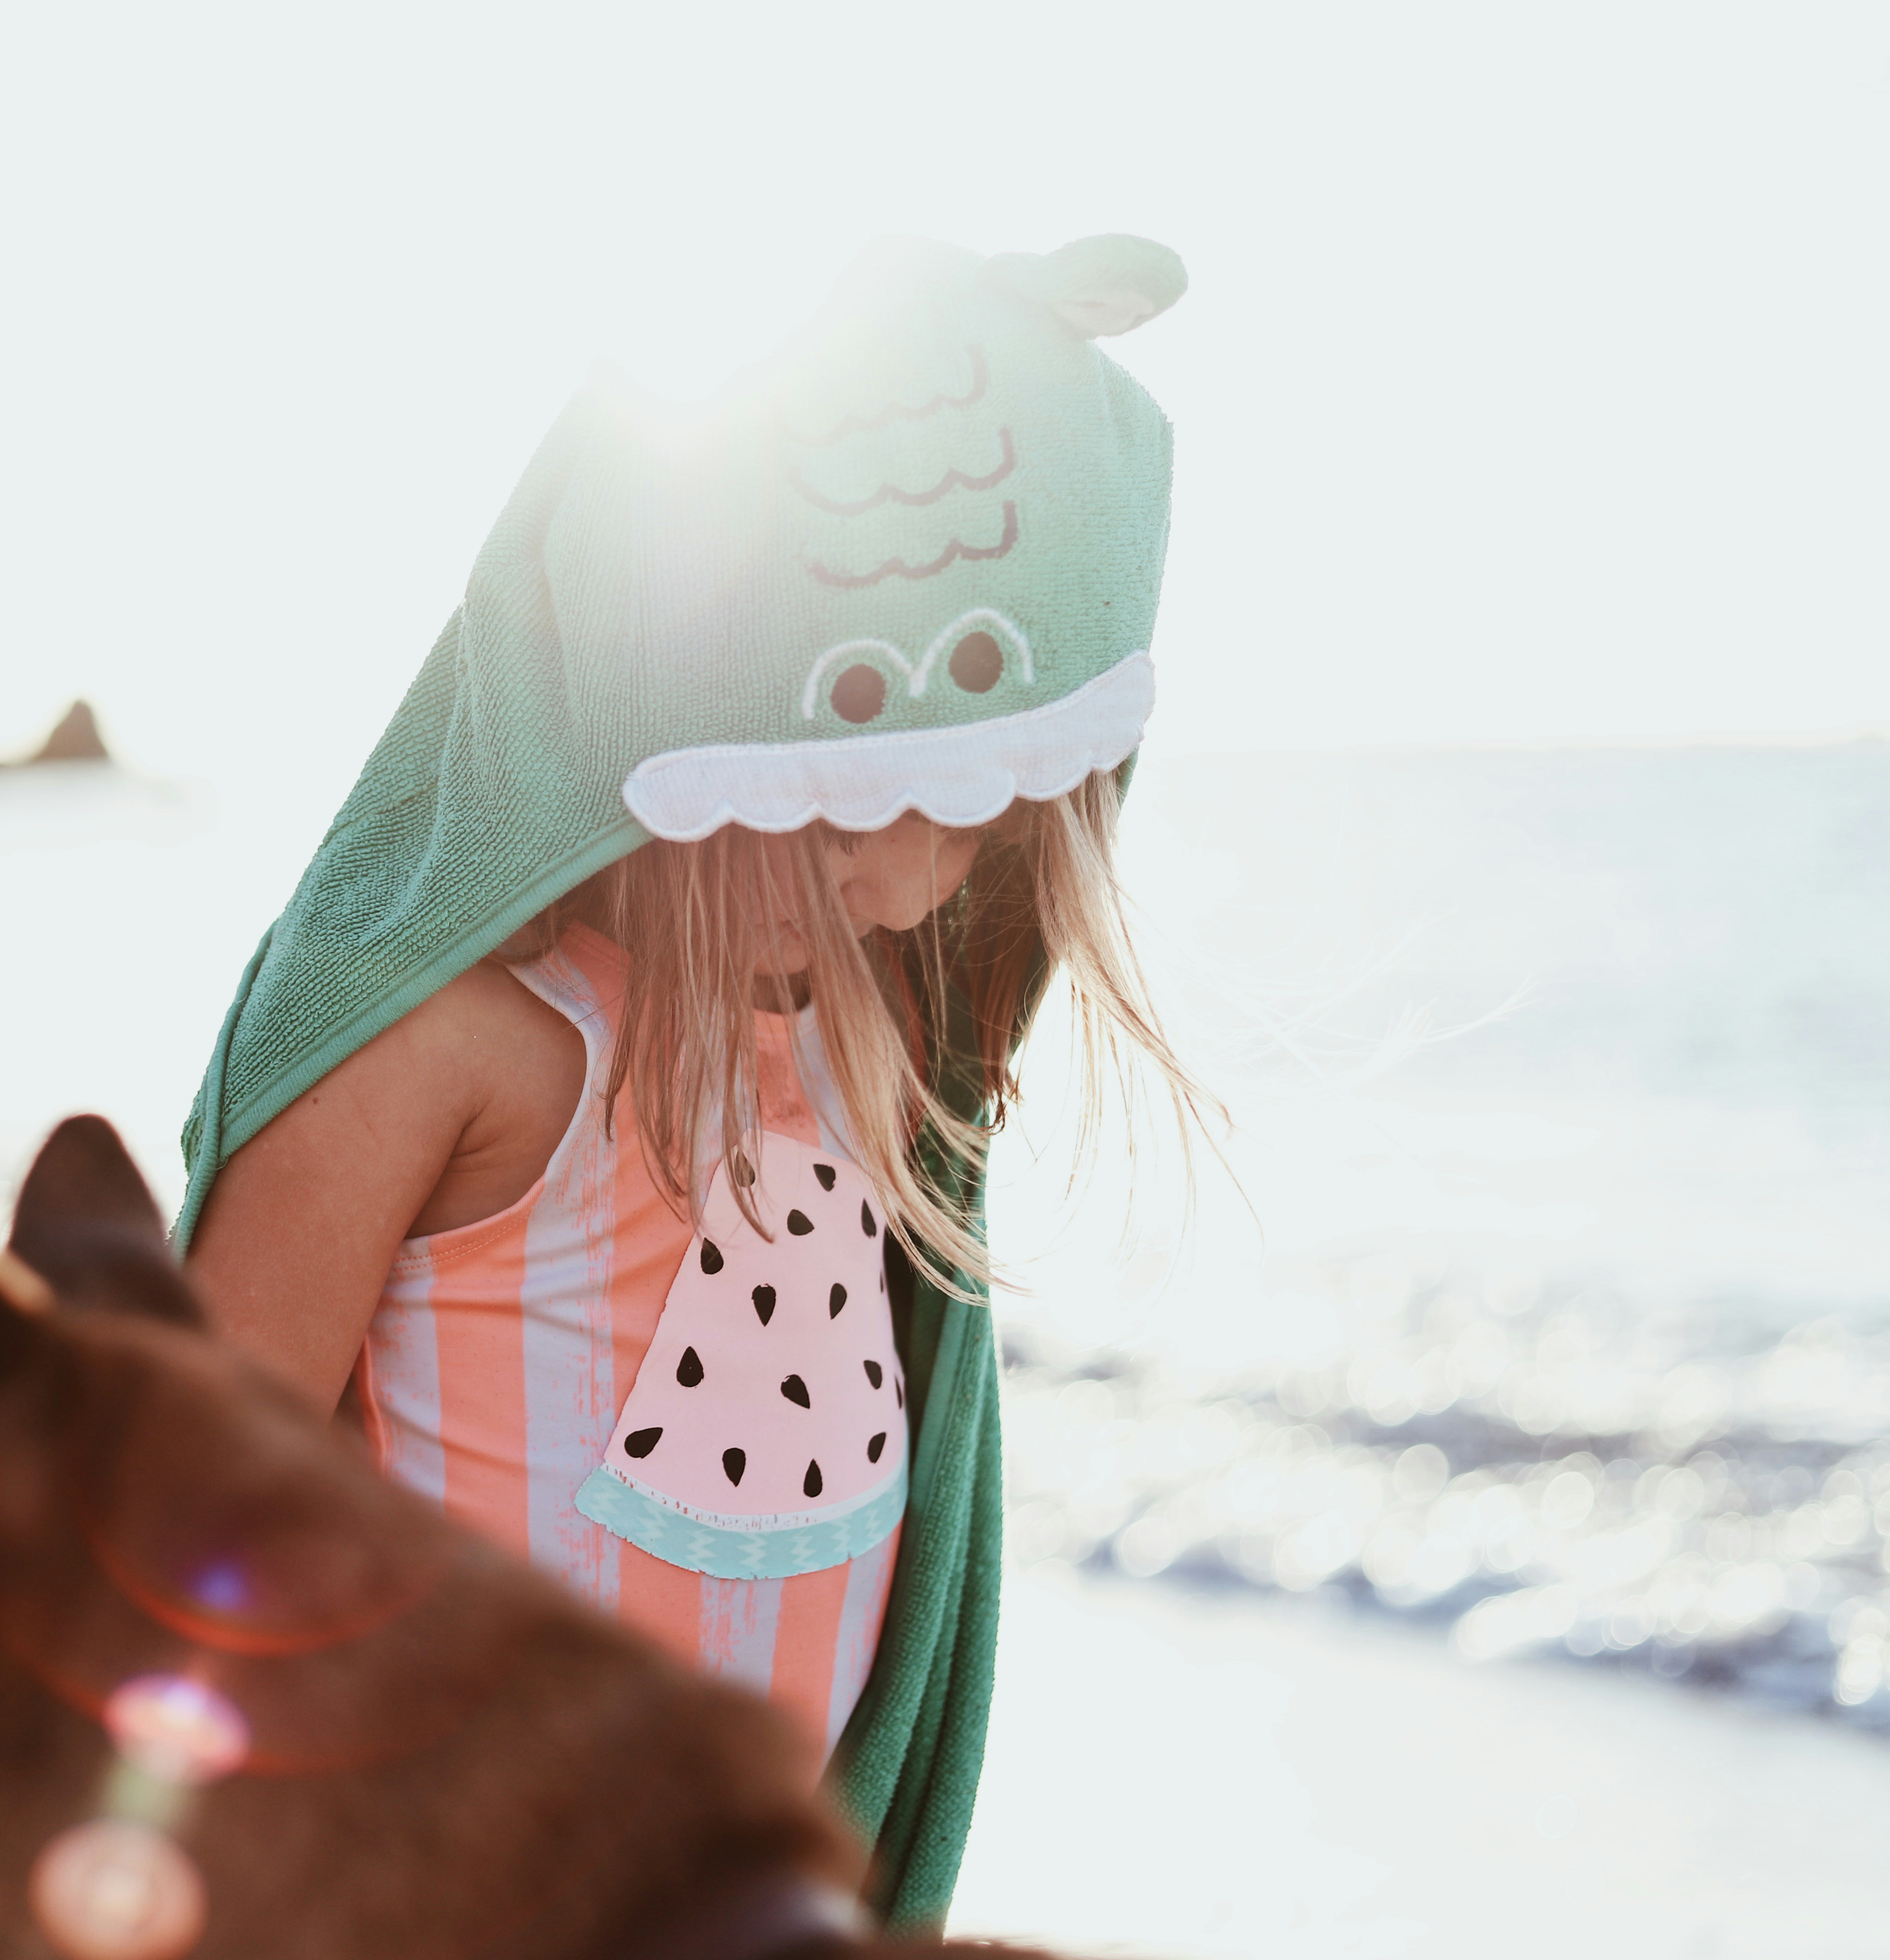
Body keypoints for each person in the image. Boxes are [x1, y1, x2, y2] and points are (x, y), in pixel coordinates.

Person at [175, 234, 1211, 1931]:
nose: (913, 880)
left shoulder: (865, 1049)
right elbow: (170, 1495)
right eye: (851, 798)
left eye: (981, 808)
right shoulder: (455, 1049)